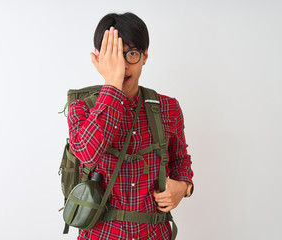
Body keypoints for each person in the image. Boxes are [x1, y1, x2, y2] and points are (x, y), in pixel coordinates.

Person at [67, 12, 194, 240]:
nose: (123, 66)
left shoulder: (168, 107)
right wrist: (112, 84)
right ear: (98, 58)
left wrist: (184, 187)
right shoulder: (82, 108)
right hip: (101, 234)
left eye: (131, 54)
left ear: (145, 56)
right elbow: (87, 154)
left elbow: (180, 159)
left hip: (155, 233)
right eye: (113, 56)